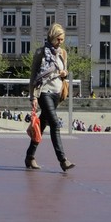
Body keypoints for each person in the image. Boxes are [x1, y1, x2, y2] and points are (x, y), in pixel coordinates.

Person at [26, 23, 75, 172]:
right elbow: (34, 75)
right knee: (55, 124)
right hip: (44, 92)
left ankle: (29, 156)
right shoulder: (41, 52)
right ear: (52, 37)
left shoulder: (63, 53)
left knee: (42, 125)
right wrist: (33, 96)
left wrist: (64, 73)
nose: (60, 42)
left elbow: (64, 71)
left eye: (62, 40)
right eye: (58, 39)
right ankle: (63, 160)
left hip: (57, 93)